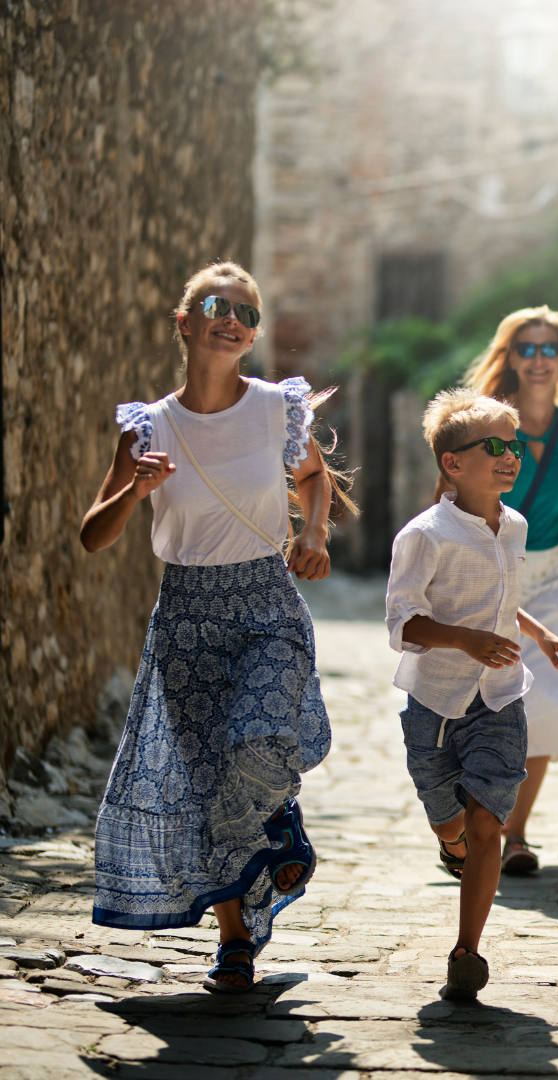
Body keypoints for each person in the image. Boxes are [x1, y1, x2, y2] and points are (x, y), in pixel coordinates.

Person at [80, 261, 357, 994]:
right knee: (207, 783)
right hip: (187, 615)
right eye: (214, 303)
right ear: (184, 322)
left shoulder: (277, 409)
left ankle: (281, 826)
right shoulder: (147, 427)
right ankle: (235, 941)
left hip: (265, 601)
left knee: (258, 737)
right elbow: (92, 535)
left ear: (253, 332)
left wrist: (317, 533)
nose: (231, 316)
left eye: (246, 310)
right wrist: (134, 489)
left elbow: (311, 478)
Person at [387, 387, 558, 998]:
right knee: (451, 824)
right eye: (494, 445)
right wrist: (464, 640)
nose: (510, 455)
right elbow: (403, 625)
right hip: (434, 707)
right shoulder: (425, 535)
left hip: (499, 699)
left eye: (515, 444)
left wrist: (542, 635)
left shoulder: (514, 526)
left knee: (487, 822)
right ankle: (450, 844)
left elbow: (506, 601)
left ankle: (467, 951)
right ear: (452, 463)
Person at [448, 306, 558, 874]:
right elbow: (452, 490)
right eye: (529, 348)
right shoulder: (485, 423)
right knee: (488, 695)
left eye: (551, 349)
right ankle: (468, 822)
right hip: (500, 569)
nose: (540, 359)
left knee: (548, 696)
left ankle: (514, 836)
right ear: (512, 357)